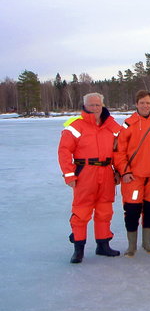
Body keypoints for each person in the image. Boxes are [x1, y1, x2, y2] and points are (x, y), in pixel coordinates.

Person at [58, 92, 122, 264]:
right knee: (81, 212)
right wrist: (69, 175)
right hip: (85, 174)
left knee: (105, 211)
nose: (95, 108)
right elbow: (64, 151)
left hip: (106, 174)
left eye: (98, 105)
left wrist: (119, 171)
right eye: (91, 105)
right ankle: (78, 249)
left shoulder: (112, 126)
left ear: (102, 106)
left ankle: (103, 245)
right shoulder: (75, 126)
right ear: (85, 106)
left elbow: (119, 151)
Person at [114, 90, 150, 257]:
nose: (145, 106)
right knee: (132, 210)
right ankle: (131, 245)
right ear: (136, 104)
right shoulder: (128, 124)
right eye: (142, 103)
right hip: (134, 176)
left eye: (148, 103)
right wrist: (124, 171)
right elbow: (119, 152)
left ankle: (147, 242)